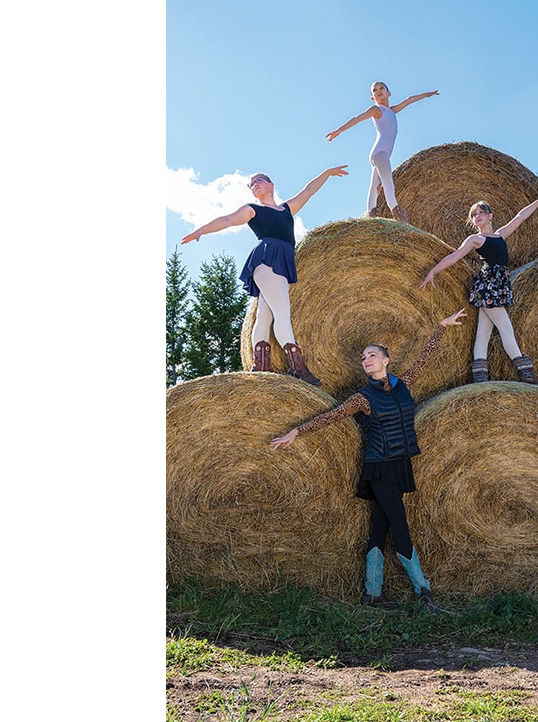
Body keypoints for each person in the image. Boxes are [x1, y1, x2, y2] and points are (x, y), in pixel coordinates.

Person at [270, 309, 467, 614]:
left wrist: (441, 327)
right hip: (379, 466)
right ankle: (424, 591)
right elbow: (332, 416)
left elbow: (424, 359)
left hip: (400, 463)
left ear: (386, 361)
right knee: (400, 526)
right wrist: (297, 431)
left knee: (380, 527)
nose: (366, 360)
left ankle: (372, 594)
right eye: (363, 357)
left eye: (372, 355)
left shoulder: (404, 385)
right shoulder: (362, 397)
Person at [181, 166, 349, 385]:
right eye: (252, 184)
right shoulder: (253, 210)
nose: (255, 185)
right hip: (268, 258)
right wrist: (201, 230)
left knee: (265, 315)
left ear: (271, 185)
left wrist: (326, 173)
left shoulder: (286, 210)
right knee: (282, 313)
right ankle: (298, 368)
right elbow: (227, 220)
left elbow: (308, 191)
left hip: (280, 260)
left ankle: (261, 367)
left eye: (259, 180)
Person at [419, 196, 538, 383]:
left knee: (483, 335)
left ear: (490, 216)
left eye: (480, 212)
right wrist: (433, 271)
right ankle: (527, 373)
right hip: (487, 286)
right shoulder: (476, 239)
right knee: (506, 328)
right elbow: (456, 255)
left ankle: (480, 379)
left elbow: (520, 216)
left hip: (498, 286)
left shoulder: (500, 235)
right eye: (474, 215)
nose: (477, 216)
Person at [325, 81, 439, 224]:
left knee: (374, 187)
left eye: (381, 88)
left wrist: (427, 94)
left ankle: (371, 216)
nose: (378, 91)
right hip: (380, 153)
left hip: (380, 153)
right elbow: (357, 118)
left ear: (388, 92)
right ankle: (397, 214)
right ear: (372, 97)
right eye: (374, 90)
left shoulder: (392, 110)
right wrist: (339, 130)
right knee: (388, 183)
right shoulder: (376, 110)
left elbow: (410, 100)